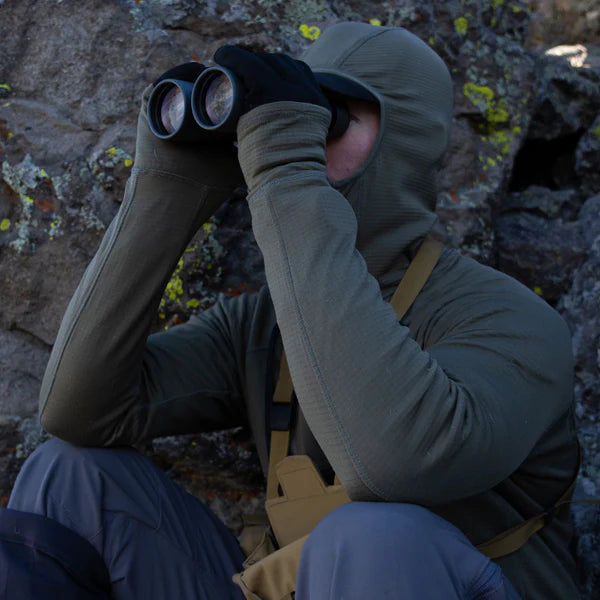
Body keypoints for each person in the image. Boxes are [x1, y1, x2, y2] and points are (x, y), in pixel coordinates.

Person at [5, 21, 580, 599]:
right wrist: (167, 186)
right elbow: (79, 412)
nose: (304, 134)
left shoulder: (509, 323)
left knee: (369, 535)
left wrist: (285, 170)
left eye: (329, 115)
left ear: (402, 144)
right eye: (294, 114)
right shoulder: (262, 325)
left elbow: (392, 464)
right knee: (70, 471)